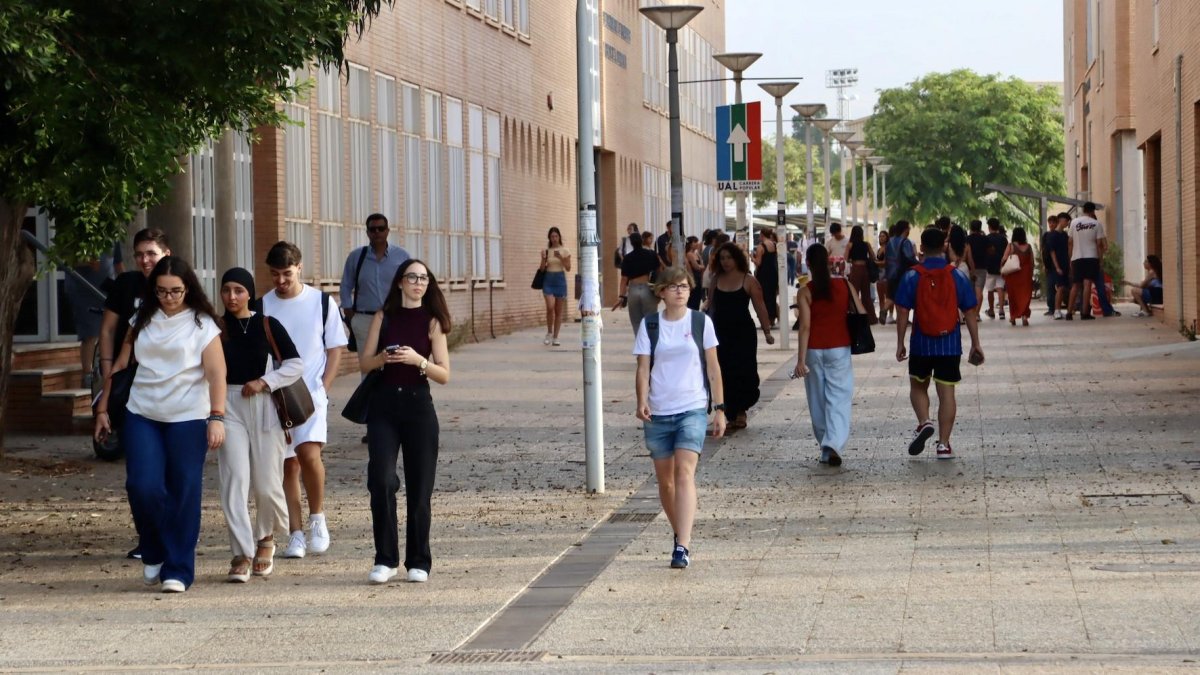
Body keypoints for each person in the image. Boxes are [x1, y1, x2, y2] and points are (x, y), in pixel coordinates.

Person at [93, 257, 225, 592]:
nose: (169, 297)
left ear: (188, 287)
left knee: (184, 491)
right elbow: (122, 364)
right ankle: (152, 548)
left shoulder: (202, 323)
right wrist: (103, 408)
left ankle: (178, 569)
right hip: (143, 413)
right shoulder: (142, 318)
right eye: (162, 291)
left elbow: (216, 373)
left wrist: (217, 416)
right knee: (142, 485)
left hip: (189, 417)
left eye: (176, 291)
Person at [360, 259, 452, 584]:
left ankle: (419, 560)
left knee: (420, 487)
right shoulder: (383, 317)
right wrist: (383, 358)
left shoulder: (432, 321)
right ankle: (385, 558)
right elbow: (364, 362)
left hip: (418, 408)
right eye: (412, 277)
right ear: (400, 282)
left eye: (424, 278)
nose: (418, 283)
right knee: (382, 480)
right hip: (384, 406)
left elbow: (444, 373)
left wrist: (418, 360)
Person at [632, 266, 725, 569]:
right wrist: (642, 400)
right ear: (661, 292)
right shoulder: (650, 325)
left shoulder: (701, 322)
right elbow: (644, 368)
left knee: (685, 473)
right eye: (673, 287)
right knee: (666, 482)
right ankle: (679, 531)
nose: (680, 291)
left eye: (685, 286)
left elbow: (713, 368)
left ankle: (682, 547)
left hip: (692, 407)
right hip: (658, 411)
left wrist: (720, 409)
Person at [261, 241, 349, 559]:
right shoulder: (263, 305)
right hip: (277, 396)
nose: (281, 281)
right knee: (288, 465)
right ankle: (295, 533)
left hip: (311, 393)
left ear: (299, 268)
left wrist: (323, 388)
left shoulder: (321, 302)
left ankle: (318, 519)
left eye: (286, 273)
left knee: (309, 455)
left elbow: (335, 348)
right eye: (275, 275)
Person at [216, 268, 303, 582]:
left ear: (249, 293)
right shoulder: (215, 326)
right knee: (233, 481)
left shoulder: (267, 324)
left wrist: (265, 381)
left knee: (267, 482)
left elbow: (295, 363)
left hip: (263, 404)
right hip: (227, 403)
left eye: (239, 290)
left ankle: (266, 538)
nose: (232, 296)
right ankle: (241, 550)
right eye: (226, 290)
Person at [98, 228, 172, 560]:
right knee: (139, 473)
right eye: (139, 253)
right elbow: (109, 329)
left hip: (173, 387)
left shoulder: (176, 282)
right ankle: (147, 537)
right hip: (131, 385)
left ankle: (171, 534)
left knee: (171, 470)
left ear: (166, 254)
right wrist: (106, 375)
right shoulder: (127, 284)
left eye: (151, 253)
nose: (144, 260)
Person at [893, 228, 984, 460]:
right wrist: (976, 343)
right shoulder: (957, 275)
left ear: (921, 248)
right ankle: (943, 445)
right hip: (949, 344)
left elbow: (903, 310)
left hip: (921, 343)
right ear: (944, 247)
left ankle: (924, 421)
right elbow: (970, 311)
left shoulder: (912, 276)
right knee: (947, 394)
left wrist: (900, 342)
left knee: (917, 387)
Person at [793, 244, 854, 467]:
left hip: (814, 350)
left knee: (817, 399)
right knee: (838, 397)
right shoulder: (844, 285)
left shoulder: (805, 292)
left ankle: (825, 446)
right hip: (839, 347)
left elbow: (805, 327)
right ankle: (833, 443)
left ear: (807, 263)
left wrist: (800, 360)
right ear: (829, 261)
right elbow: (859, 311)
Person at [709, 242, 774, 431]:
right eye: (722, 258)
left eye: (729, 257)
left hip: (743, 334)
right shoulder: (716, 279)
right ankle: (729, 412)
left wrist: (767, 331)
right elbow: (711, 306)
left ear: (736, 258)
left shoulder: (748, 280)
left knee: (744, 371)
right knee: (724, 372)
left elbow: (760, 307)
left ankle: (741, 411)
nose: (725, 262)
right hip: (720, 333)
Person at [340, 213, 410, 358]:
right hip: (365, 320)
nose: (377, 232)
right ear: (367, 233)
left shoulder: (402, 256)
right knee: (368, 369)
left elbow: (410, 285)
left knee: (394, 363)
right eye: (373, 229)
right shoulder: (356, 257)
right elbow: (346, 285)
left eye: (381, 228)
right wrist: (350, 314)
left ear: (387, 231)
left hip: (394, 318)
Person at [66, 241, 124, 389]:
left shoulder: (112, 231)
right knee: (90, 331)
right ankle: (87, 375)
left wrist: (125, 284)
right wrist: (85, 261)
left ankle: (107, 370)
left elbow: (118, 263)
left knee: (110, 329)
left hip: (106, 289)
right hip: (84, 288)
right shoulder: (80, 231)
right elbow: (67, 259)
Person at [612, 231, 662, 333]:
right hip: (648, 289)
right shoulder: (651, 254)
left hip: (633, 290)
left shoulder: (627, 258)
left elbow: (624, 279)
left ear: (631, 243)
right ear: (641, 240)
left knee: (636, 322)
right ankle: (651, 344)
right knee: (651, 320)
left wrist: (621, 296)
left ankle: (640, 344)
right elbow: (659, 271)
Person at [1065, 202, 1106, 321]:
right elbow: (1099, 244)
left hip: (1077, 257)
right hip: (1091, 257)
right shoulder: (1097, 224)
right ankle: (1084, 313)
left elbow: (1070, 242)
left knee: (1076, 285)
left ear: (1083, 210)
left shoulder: (1074, 222)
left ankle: (1069, 313)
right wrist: (1101, 260)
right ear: (1093, 211)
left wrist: (1070, 258)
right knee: (1087, 284)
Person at [538, 227, 572, 346]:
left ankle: (556, 337)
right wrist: (543, 258)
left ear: (559, 237)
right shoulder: (547, 251)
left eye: (556, 236)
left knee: (558, 311)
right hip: (548, 279)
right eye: (552, 237)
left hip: (560, 280)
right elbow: (542, 268)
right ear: (549, 238)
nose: (554, 239)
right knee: (550, 307)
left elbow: (568, 268)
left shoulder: (565, 250)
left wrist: (561, 258)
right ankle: (549, 332)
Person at [1000, 227, 1035, 326]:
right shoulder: (1029, 246)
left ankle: (1013, 317)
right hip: (1026, 274)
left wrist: (1001, 267)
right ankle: (1024, 317)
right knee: (1025, 296)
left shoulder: (1011, 246)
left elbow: (1004, 258)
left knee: (1013, 297)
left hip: (1013, 275)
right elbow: (1032, 262)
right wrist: (1031, 273)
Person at [845, 225, 878, 325]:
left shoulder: (850, 245)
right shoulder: (866, 244)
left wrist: (852, 259)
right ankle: (871, 318)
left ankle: (855, 317)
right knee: (866, 294)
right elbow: (873, 256)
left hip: (855, 269)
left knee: (854, 293)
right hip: (865, 270)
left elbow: (846, 258)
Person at [885, 221, 918, 307]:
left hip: (890, 274)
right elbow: (909, 257)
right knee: (902, 298)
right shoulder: (905, 242)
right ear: (905, 229)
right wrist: (919, 264)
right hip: (902, 273)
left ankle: (885, 309)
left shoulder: (890, 241)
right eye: (909, 228)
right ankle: (902, 319)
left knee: (891, 295)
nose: (909, 230)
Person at [752, 227, 780, 326]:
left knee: (763, 297)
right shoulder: (774, 245)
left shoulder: (761, 247)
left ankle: (766, 320)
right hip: (773, 274)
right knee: (771, 297)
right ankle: (772, 319)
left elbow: (758, 263)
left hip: (763, 275)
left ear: (762, 235)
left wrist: (752, 258)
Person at [1046, 213, 1071, 319]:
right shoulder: (1052, 235)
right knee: (1060, 287)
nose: (1067, 224)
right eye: (1067, 221)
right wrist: (1057, 267)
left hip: (1066, 265)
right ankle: (1057, 310)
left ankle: (1060, 309)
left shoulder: (1065, 235)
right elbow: (1052, 252)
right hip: (1057, 266)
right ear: (1061, 220)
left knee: (1064, 287)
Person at [983, 218, 1009, 320]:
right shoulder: (1003, 239)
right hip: (1001, 267)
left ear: (989, 227)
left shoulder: (986, 238)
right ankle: (1001, 310)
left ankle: (991, 310)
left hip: (989, 267)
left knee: (990, 290)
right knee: (1000, 288)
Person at [966, 219, 990, 308]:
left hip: (969, 268)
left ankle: (972, 311)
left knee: (971, 292)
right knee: (979, 292)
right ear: (980, 228)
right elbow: (991, 251)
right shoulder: (985, 239)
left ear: (970, 227)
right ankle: (977, 314)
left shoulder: (967, 239)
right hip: (982, 267)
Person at [875, 230, 892, 323]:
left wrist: (875, 263)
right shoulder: (879, 249)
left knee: (888, 295)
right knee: (881, 296)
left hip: (886, 274)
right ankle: (882, 315)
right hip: (879, 274)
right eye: (880, 236)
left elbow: (886, 262)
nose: (881, 238)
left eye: (883, 236)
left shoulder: (888, 248)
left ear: (887, 237)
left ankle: (890, 315)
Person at [684, 236, 705, 310]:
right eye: (695, 242)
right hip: (694, 278)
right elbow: (696, 267)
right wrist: (702, 266)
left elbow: (701, 265)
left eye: (697, 241)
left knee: (698, 299)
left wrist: (701, 266)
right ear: (690, 244)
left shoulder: (697, 254)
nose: (697, 243)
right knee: (693, 300)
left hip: (699, 278)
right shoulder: (689, 254)